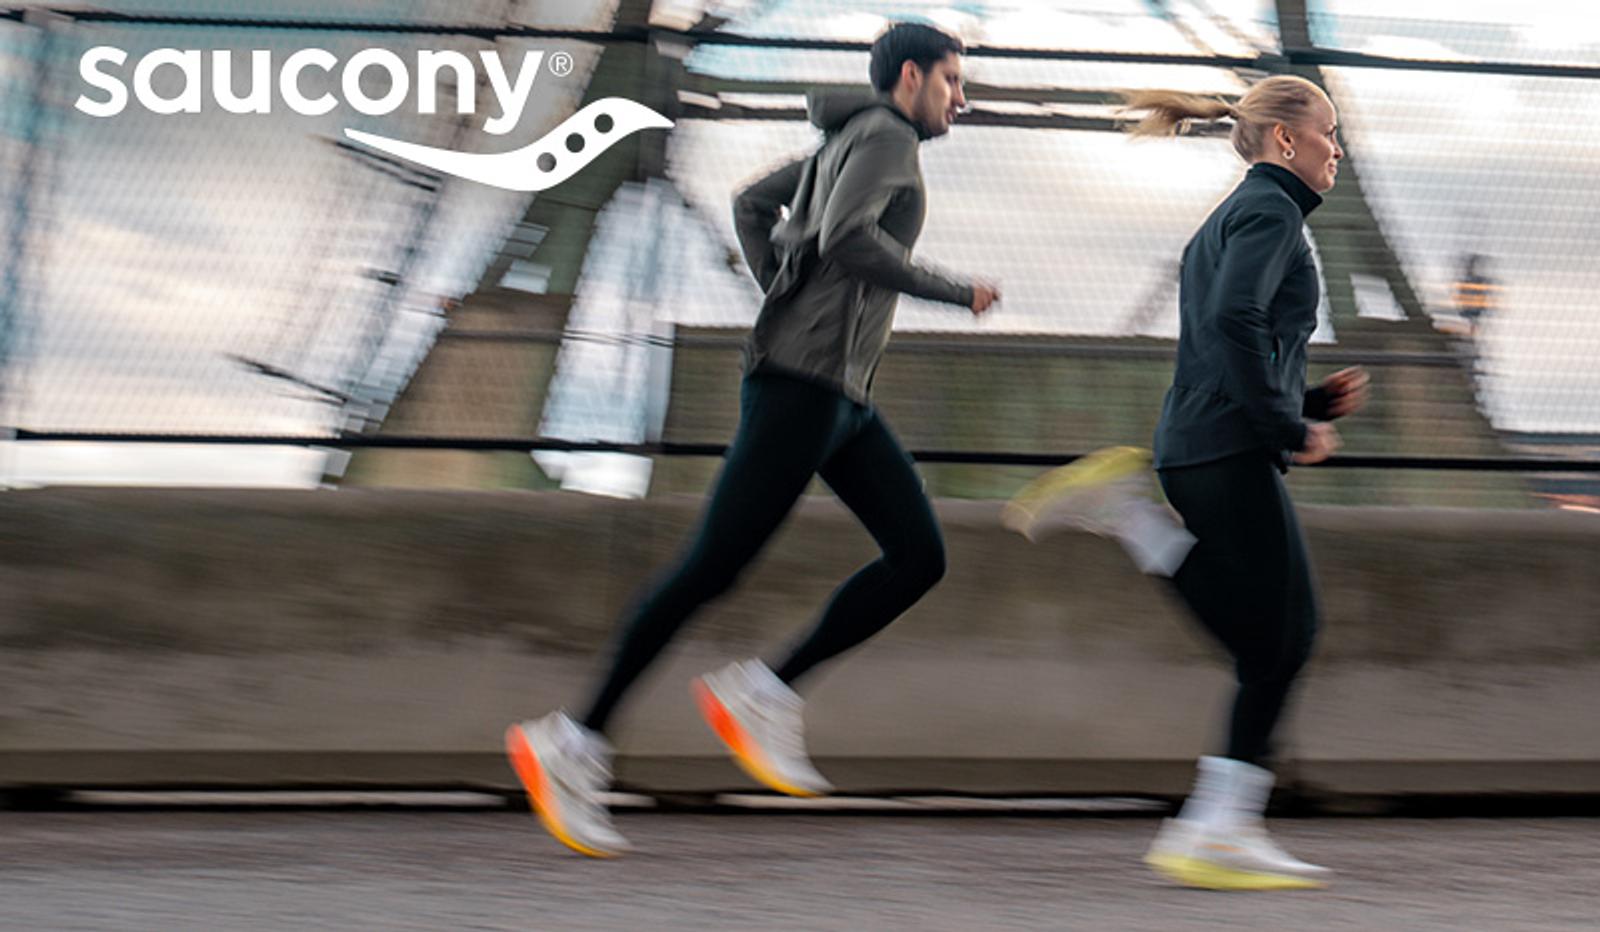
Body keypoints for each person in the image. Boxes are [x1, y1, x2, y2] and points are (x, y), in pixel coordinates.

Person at [504, 21, 999, 858]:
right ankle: (573, 739)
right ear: (909, 76)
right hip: (804, 388)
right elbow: (847, 238)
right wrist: (957, 290)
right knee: (712, 565)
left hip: (836, 391)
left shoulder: (846, 137)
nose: (962, 97)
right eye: (952, 80)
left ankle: (763, 691)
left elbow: (751, 203)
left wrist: (786, 292)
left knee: (918, 555)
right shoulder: (884, 137)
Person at [1007, 75, 1369, 890]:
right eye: (1328, 133)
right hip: (1228, 449)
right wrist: (1287, 427)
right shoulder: (1272, 211)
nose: (1336, 147)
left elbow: (1220, 342)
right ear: (1286, 141)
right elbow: (1236, 322)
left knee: (1264, 645)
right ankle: (1217, 828)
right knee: (1288, 638)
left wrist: (1304, 399)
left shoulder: (1235, 216)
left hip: (1200, 443)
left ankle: (1216, 824)